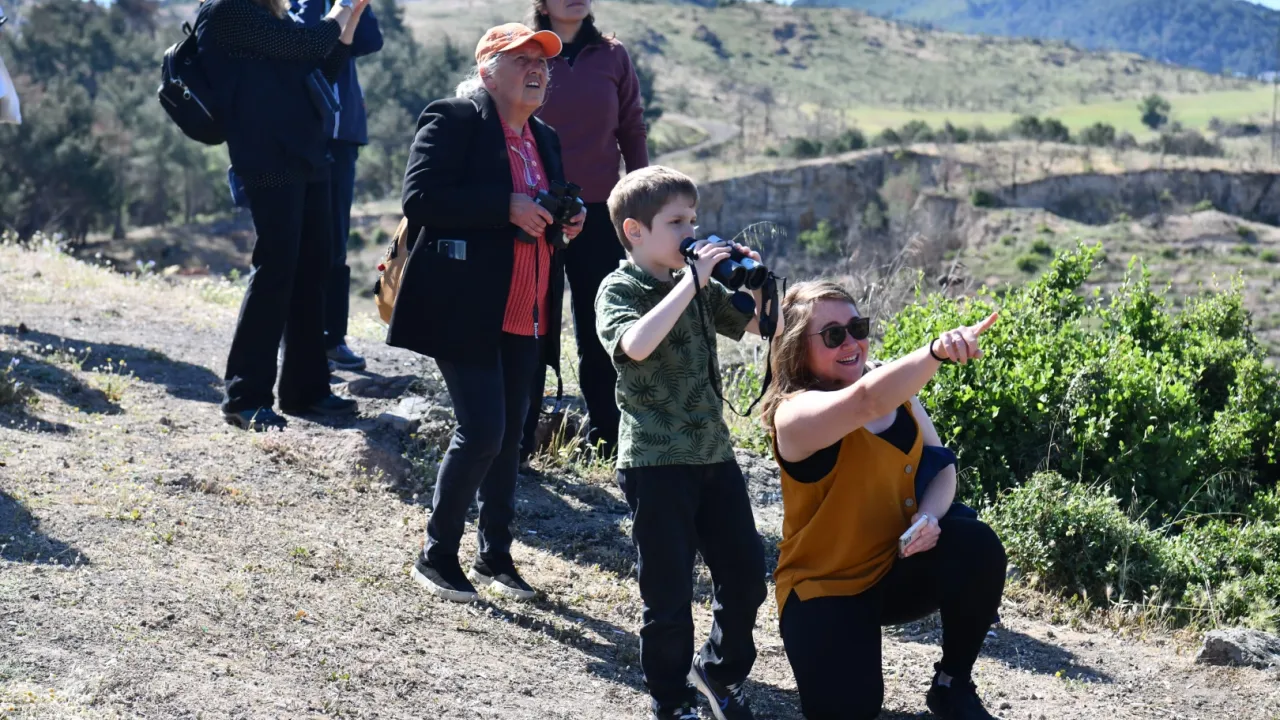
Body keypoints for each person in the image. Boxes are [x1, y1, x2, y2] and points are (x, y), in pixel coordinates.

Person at [388, 24, 586, 603]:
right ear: (486, 71)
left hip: (526, 308)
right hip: (466, 306)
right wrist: (506, 207)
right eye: (520, 58)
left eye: (543, 62)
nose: (536, 69)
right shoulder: (453, 119)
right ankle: (437, 555)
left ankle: (496, 557)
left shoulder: (543, 136)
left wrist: (568, 220)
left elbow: (547, 205)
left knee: (510, 437)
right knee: (482, 431)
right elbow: (420, 200)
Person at [761, 280, 1007, 720]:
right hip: (825, 589)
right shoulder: (794, 414)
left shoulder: (888, 383)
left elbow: (942, 467)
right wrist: (934, 351)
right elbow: (865, 402)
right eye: (833, 335)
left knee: (975, 545)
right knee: (852, 710)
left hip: (893, 569)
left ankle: (952, 685)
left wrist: (930, 518)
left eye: (857, 326)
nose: (851, 342)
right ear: (798, 350)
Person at [595, 165, 770, 720]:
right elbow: (635, 345)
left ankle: (716, 674)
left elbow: (762, 329)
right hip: (655, 460)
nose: (690, 231)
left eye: (693, 219)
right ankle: (670, 700)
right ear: (635, 231)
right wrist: (692, 283)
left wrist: (760, 284)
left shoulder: (694, 286)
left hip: (713, 455)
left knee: (745, 574)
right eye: (677, 222)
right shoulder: (619, 288)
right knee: (668, 595)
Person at [198, 0, 367, 430]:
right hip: (266, 159)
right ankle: (245, 396)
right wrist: (342, 7)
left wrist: (353, 14)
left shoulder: (270, 14)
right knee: (275, 271)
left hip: (308, 155)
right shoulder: (225, 11)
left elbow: (321, 68)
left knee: (313, 272)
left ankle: (306, 391)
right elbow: (305, 44)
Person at [518, 0, 649, 463]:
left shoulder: (612, 55)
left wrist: (642, 199)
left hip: (601, 212)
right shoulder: (526, 51)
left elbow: (631, 128)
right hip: (534, 207)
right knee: (529, 324)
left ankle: (607, 440)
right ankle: (518, 440)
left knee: (601, 327)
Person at [292, 0, 383, 372]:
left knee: (335, 242)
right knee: (298, 243)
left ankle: (333, 339)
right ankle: (299, 343)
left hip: (341, 137)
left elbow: (371, 39)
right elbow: (308, 38)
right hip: (302, 133)